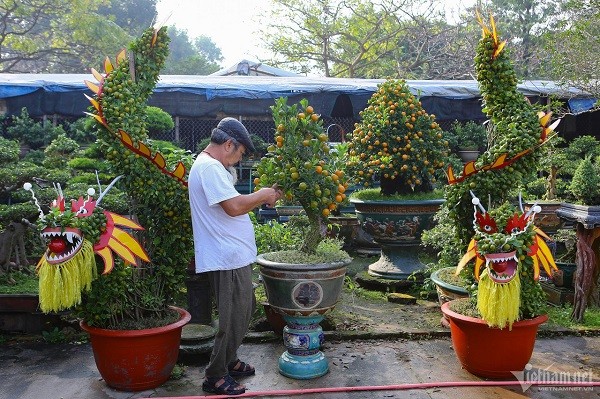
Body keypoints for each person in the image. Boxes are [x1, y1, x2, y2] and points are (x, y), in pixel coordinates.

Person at [188, 117, 282, 396]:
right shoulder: (209, 168)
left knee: (245, 308)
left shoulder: (212, 167)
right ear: (229, 144)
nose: (237, 160)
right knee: (232, 318)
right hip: (224, 256)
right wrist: (263, 194)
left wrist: (262, 195)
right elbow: (233, 206)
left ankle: (229, 360)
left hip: (232, 254)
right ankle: (215, 375)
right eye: (239, 154)